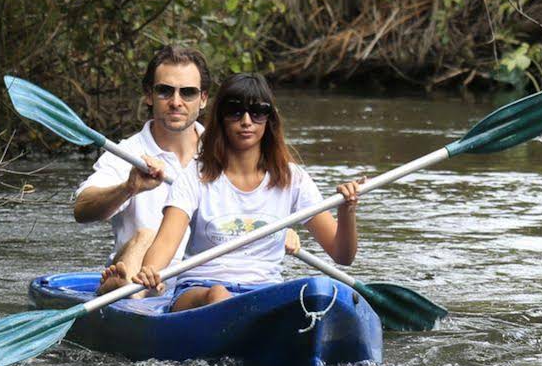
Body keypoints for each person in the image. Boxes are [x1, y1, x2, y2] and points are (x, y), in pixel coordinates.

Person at [117, 73, 363, 312]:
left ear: (269, 119)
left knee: (314, 290)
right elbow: (165, 243)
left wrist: (347, 210)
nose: (246, 121)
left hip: (264, 291)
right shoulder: (194, 176)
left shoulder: (292, 179)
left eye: (257, 112)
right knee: (218, 295)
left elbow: (343, 255)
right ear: (221, 118)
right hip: (199, 290)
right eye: (235, 111)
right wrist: (150, 270)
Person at [75, 44, 211, 283]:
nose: (176, 101)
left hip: (205, 282)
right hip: (141, 278)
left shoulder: (225, 154)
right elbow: (82, 210)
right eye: (165, 91)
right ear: (149, 95)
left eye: (187, 92)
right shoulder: (126, 153)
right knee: (146, 235)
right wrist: (128, 188)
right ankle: (118, 287)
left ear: (203, 99)